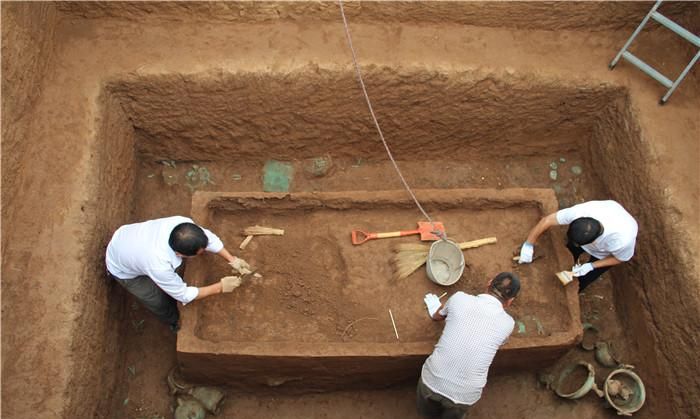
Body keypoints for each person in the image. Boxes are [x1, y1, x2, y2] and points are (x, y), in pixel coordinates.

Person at [106, 216, 250, 333]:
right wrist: (221, 287)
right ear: (179, 254)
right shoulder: (159, 265)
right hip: (122, 268)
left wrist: (232, 259)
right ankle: (173, 321)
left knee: (166, 280)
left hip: (129, 238)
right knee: (156, 300)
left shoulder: (183, 225)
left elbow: (208, 239)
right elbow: (183, 295)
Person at [418, 272, 520, 419]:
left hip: (432, 379)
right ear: (510, 301)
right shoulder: (508, 323)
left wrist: (436, 308)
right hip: (465, 395)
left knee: (426, 412)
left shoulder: (459, 298)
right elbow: (501, 342)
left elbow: (437, 316)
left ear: (489, 283)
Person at [518, 200, 638, 293]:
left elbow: (619, 259)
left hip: (603, 254)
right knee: (570, 251)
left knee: (585, 278)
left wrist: (591, 265)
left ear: (594, 241)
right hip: (604, 217)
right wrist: (529, 244)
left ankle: (576, 290)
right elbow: (547, 220)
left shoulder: (621, 241)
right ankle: (569, 266)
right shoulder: (579, 213)